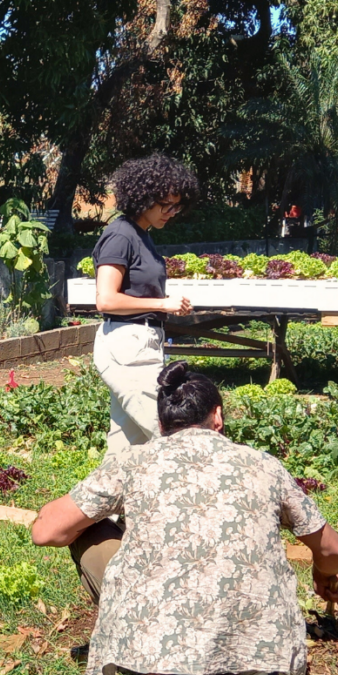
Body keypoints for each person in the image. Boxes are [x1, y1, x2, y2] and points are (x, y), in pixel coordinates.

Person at [31, 361, 338, 675]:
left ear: (162, 423)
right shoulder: (264, 464)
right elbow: (331, 548)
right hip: (260, 650)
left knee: (86, 531)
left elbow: (46, 531)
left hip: (163, 636)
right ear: (218, 416)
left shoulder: (134, 462)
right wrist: (323, 574)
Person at [92, 154, 200, 457]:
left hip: (140, 343)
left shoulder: (142, 236)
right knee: (172, 434)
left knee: (126, 445)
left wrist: (163, 307)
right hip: (127, 347)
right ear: (144, 197)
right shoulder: (120, 236)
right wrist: (163, 304)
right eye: (166, 204)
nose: (172, 212)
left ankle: (110, 504)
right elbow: (106, 299)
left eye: (176, 205)